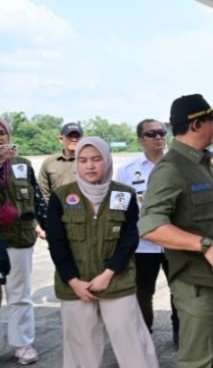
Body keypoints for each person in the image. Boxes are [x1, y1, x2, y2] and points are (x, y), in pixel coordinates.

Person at [138, 94, 213, 368]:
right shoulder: (172, 168)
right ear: (196, 124)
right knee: (197, 361)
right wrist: (205, 244)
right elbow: (149, 225)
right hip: (199, 286)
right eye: (211, 121)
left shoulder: (203, 162)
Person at [45, 136, 158, 368]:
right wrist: (73, 280)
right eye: (83, 160)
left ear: (106, 160)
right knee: (80, 345)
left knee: (132, 342)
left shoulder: (124, 194)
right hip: (75, 284)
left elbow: (129, 238)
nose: (90, 165)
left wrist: (108, 273)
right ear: (76, 163)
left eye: (96, 159)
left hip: (117, 280)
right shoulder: (62, 196)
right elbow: (56, 242)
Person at [115, 118, 177, 341]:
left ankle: (180, 333)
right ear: (140, 139)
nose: (158, 137)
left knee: (179, 292)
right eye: (151, 134)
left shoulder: (177, 165)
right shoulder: (127, 171)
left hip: (174, 242)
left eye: (161, 132)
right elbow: (119, 209)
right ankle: (144, 336)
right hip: (143, 245)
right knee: (142, 294)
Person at [0, 118, 46, 366]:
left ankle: (22, 343)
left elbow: (38, 199)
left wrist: (48, 227)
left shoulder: (22, 164)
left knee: (20, 294)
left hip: (19, 237)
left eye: (2, 132)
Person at [38, 122, 83, 201]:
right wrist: (50, 210)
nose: (74, 139)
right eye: (70, 136)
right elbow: (43, 192)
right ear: (61, 139)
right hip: (56, 209)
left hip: (82, 210)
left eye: (77, 136)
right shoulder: (49, 162)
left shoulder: (88, 162)